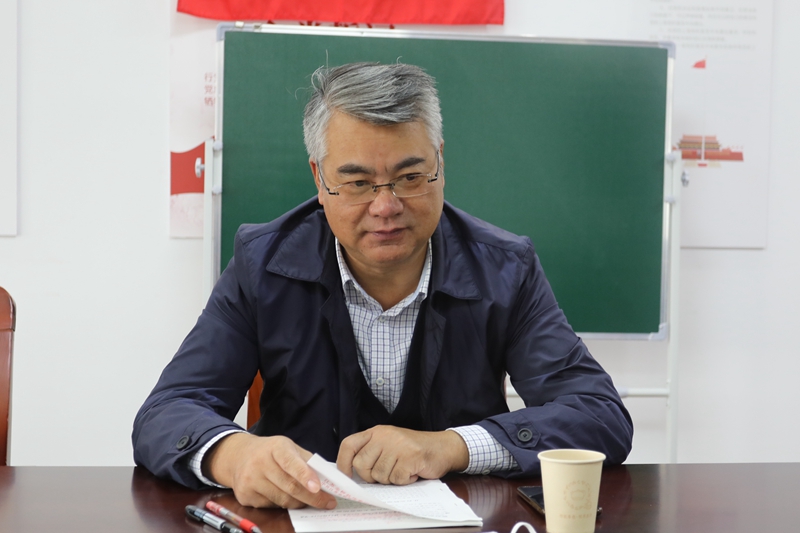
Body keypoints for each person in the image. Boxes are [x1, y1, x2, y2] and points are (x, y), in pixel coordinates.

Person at [132, 62, 633, 510]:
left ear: (440, 163)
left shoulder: (504, 269)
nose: (386, 206)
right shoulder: (262, 264)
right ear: (319, 179)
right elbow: (166, 412)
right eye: (357, 183)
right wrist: (235, 454)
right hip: (304, 518)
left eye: (410, 177)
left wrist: (453, 446)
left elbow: (599, 415)